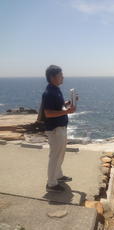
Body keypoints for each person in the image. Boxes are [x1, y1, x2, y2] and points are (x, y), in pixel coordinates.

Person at [42, 65, 76, 193]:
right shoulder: (49, 93)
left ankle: (58, 176)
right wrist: (67, 111)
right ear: (52, 77)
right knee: (55, 156)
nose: (63, 77)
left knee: (61, 154)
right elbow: (48, 113)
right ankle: (51, 183)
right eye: (60, 75)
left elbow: (58, 106)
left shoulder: (56, 89)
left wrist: (68, 103)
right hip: (55, 129)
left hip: (60, 127)